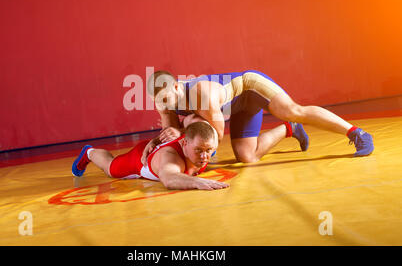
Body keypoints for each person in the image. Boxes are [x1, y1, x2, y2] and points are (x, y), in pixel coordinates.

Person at [145, 69, 374, 163]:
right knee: (247, 157)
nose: (165, 105)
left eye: (166, 99)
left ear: (176, 86)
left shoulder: (199, 94)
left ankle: (357, 134)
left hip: (250, 87)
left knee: (294, 110)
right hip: (235, 106)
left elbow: (216, 136)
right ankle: (289, 129)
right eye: (160, 103)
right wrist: (158, 144)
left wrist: (198, 157)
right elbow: (172, 139)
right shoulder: (163, 102)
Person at [71, 121, 229, 191]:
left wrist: (178, 132)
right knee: (110, 168)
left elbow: (202, 127)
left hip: (164, 143)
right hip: (139, 160)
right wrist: (196, 181)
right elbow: (169, 179)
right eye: (199, 150)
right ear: (185, 143)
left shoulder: (204, 137)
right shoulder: (171, 157)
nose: (204, 156)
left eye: (208, 150)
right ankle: (89, 153)